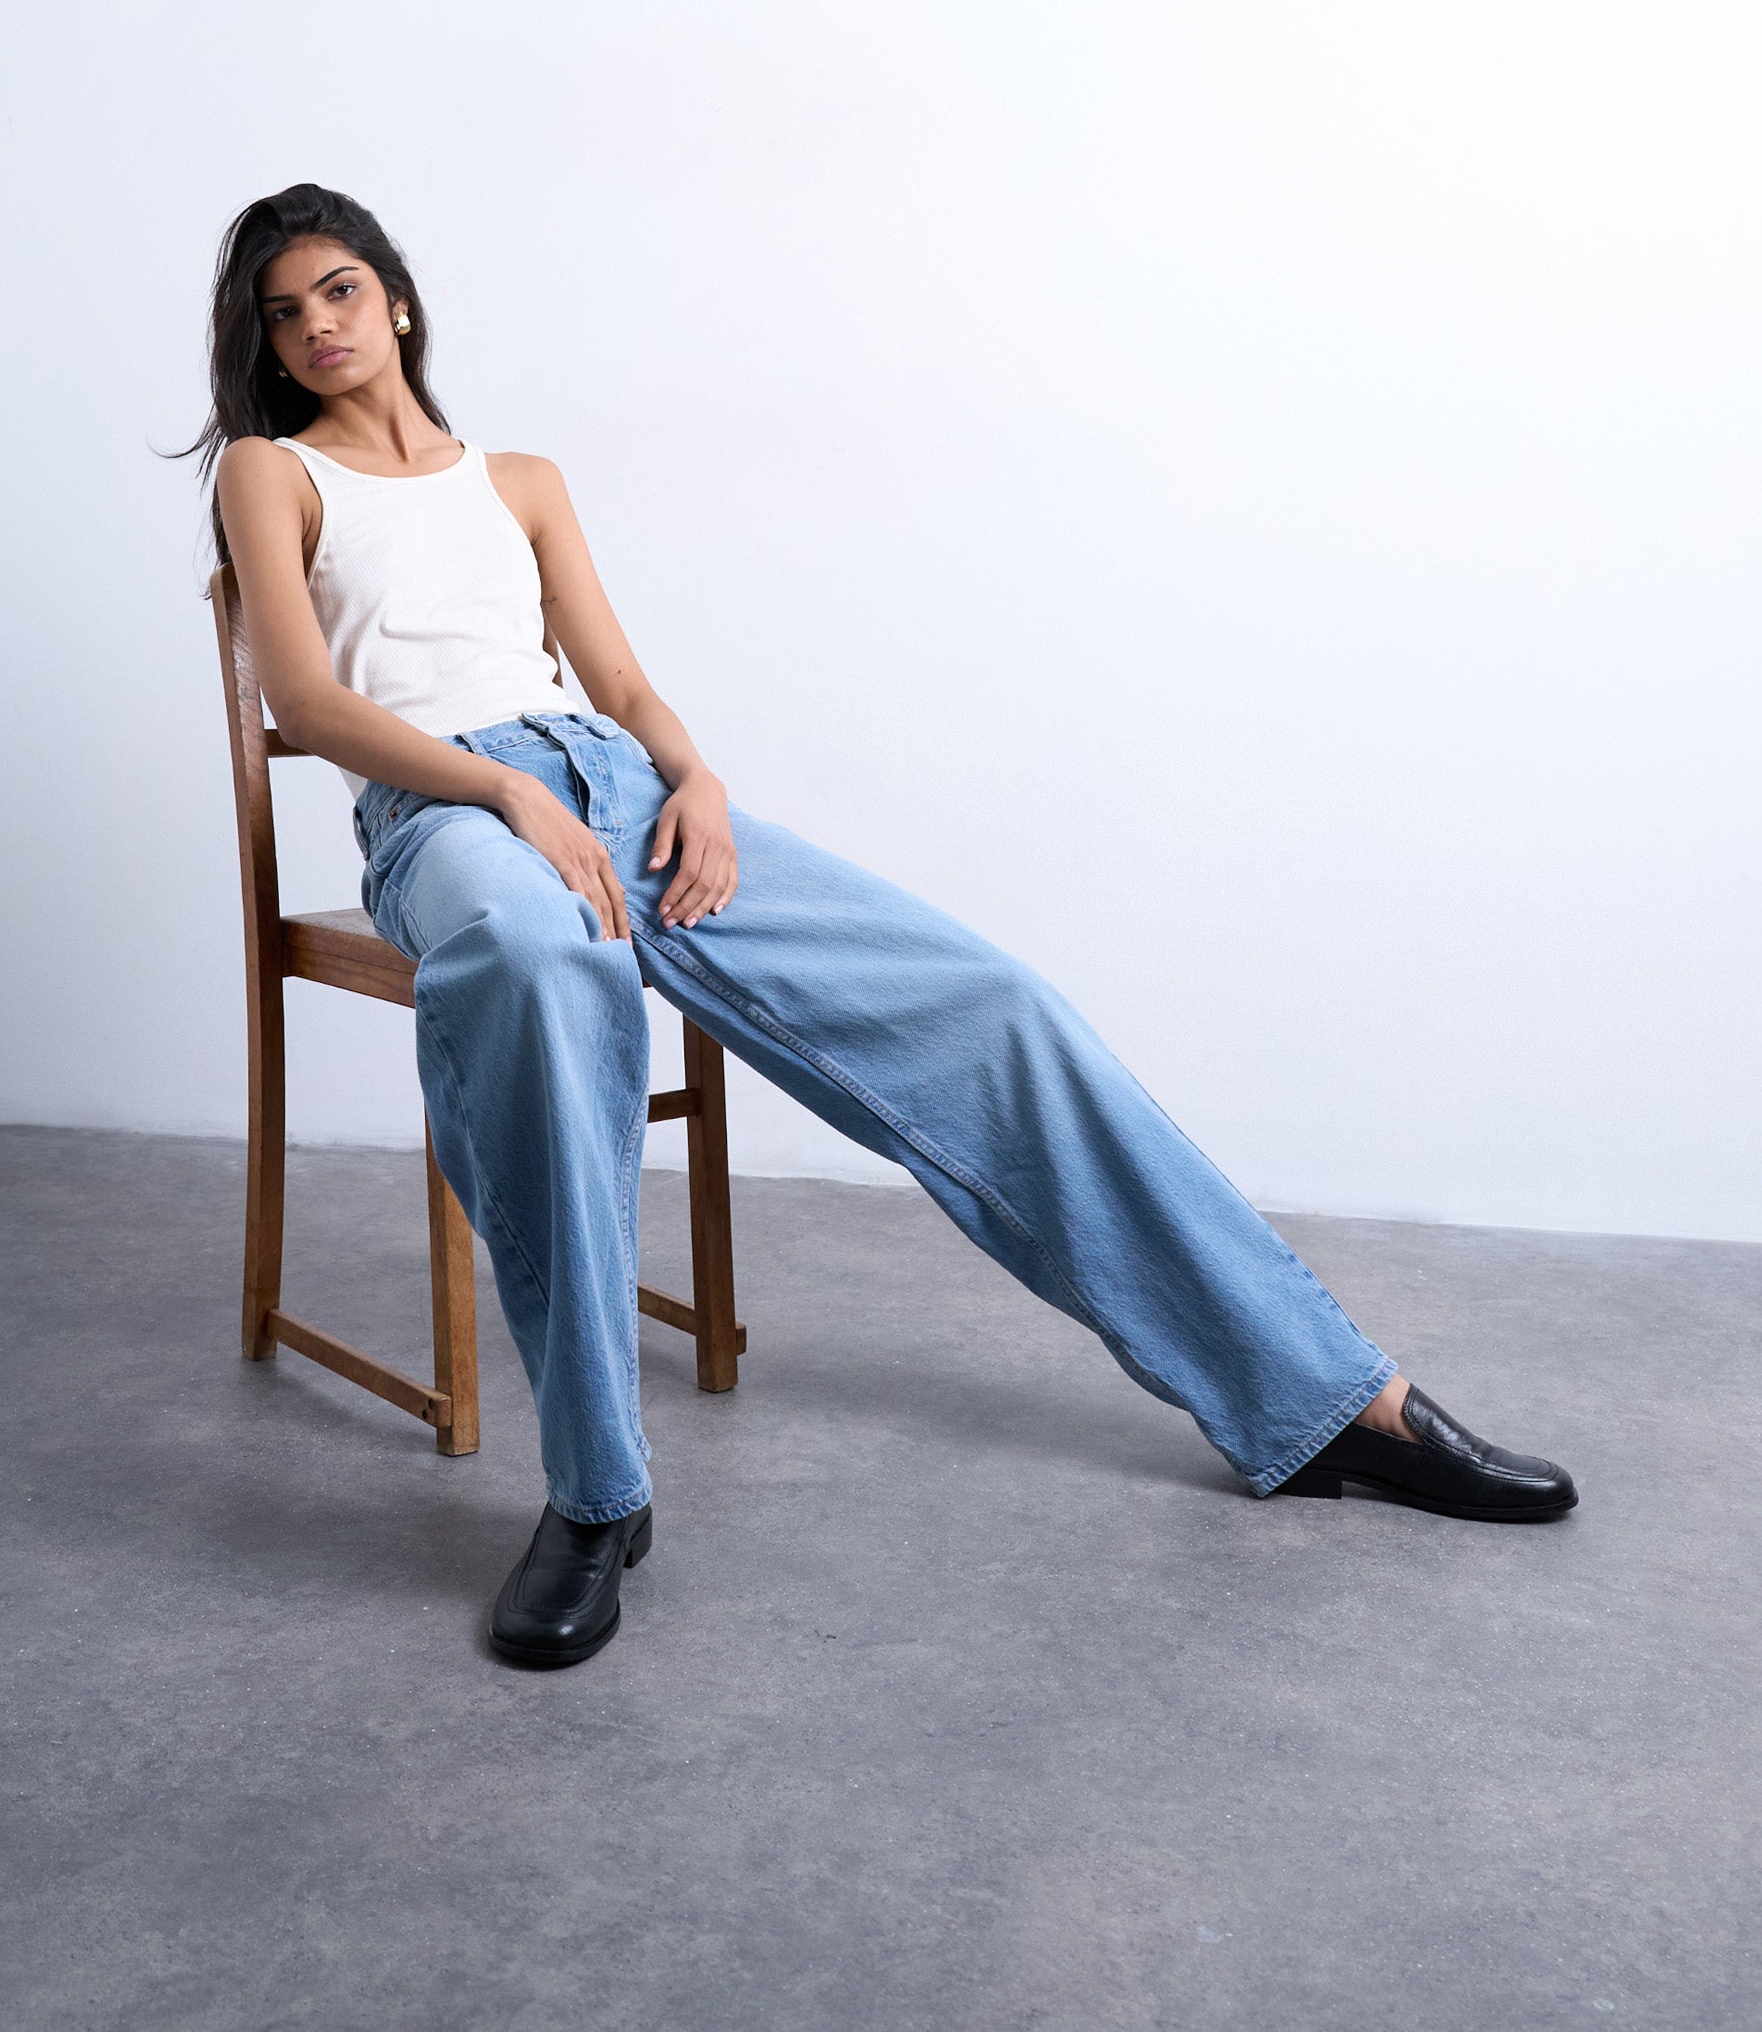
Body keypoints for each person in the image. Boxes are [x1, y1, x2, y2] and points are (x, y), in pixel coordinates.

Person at [188, 182, 1576, 1670]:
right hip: (448, 815)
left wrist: (698, 780)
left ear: (397, 297)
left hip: (616, 787)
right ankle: (596, 1498)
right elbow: (306, 702)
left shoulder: (518, 479)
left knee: (990, 1002)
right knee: (542, 963)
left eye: (340, 289)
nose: (318, 326)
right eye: (285, 312)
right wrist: (503, 795)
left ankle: (1328, 1403)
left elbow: (623, 684)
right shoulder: (275, 473)